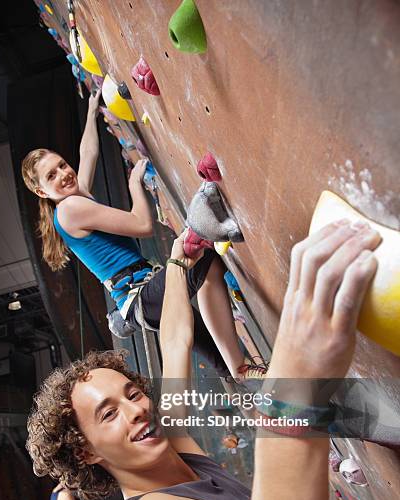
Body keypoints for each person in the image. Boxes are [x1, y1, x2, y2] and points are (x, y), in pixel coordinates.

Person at [27, 219, 383, 500]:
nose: (139, 410)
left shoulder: (169, 441)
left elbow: (175, 339)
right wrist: (295, 386)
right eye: (109, 414)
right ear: (86, 452)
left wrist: (179, 262)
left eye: (133, 394)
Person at [20, 91, 266, 381]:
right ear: (41, 193)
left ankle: (257, 392)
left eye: (61, 164)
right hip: (143, 298)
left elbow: (88, 154)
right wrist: (134, 182)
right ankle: (243, 369)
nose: (63, 173)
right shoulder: (71, 208)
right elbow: (141, 225)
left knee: (219, 357)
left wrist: (90, 111)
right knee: (205, 258)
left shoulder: (74, 198)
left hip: (145, 302)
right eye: (51, 176)